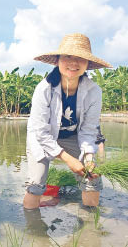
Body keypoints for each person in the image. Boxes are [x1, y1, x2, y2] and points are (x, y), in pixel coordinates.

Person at [23, 33, 112, 210]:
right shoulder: (44, 89)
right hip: (42, 137)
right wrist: (68, 159)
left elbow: (88, 130)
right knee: (36, 183)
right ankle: (33, 231)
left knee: (92, 177)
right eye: (68, 57)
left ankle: (90, 228)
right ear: (57, 60)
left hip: (73, 136)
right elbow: (41, 132)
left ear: (87, 64)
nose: (73, 63)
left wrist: (88, 157)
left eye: (80, 58)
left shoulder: (94, 91)